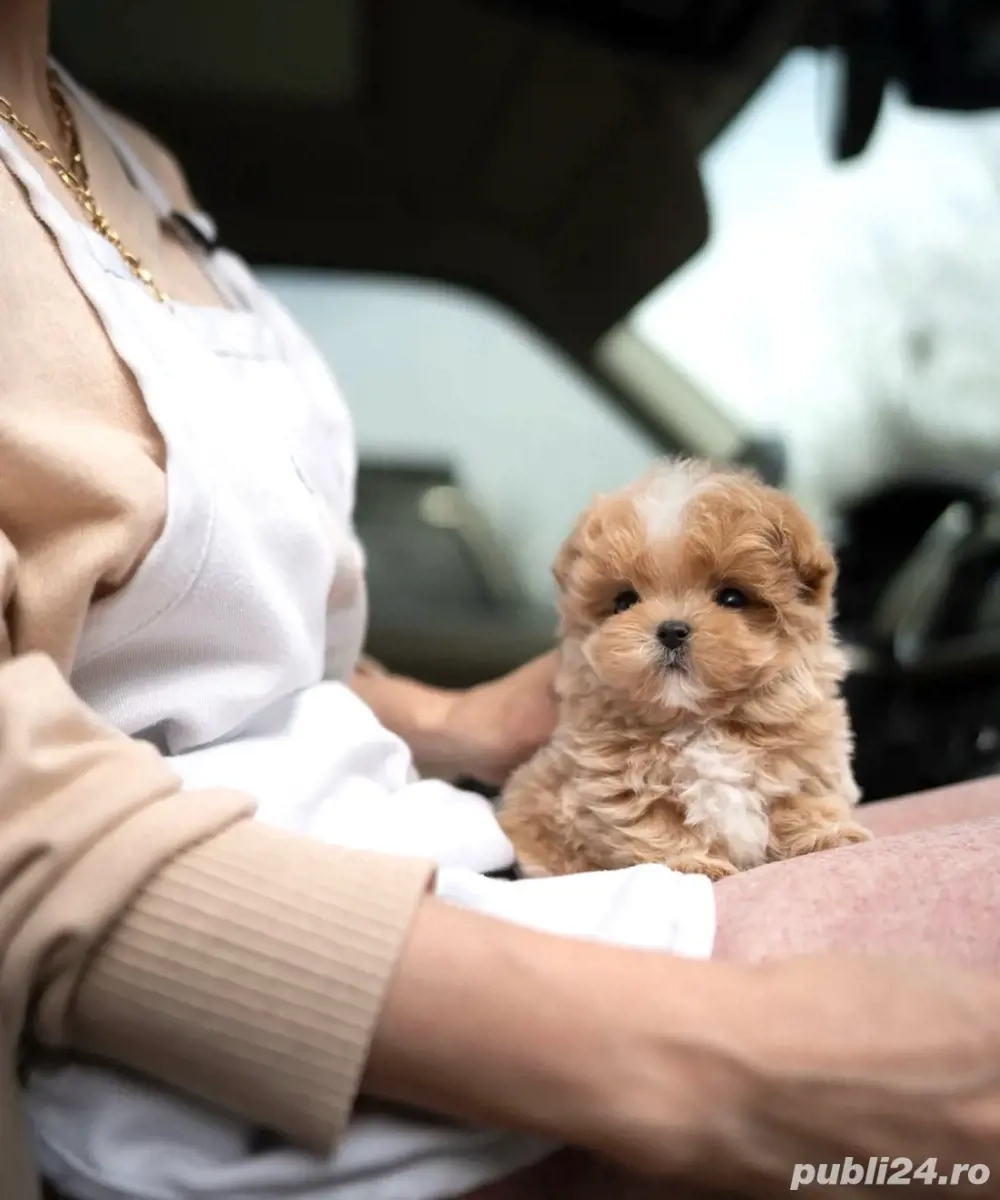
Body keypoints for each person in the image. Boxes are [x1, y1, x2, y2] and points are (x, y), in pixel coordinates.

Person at [0, 4, 999, 1199]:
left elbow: (216, 666)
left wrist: (452, 724)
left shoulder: (124, 155)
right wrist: (702, 1063)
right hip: (244, 1010)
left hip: (421, 856)